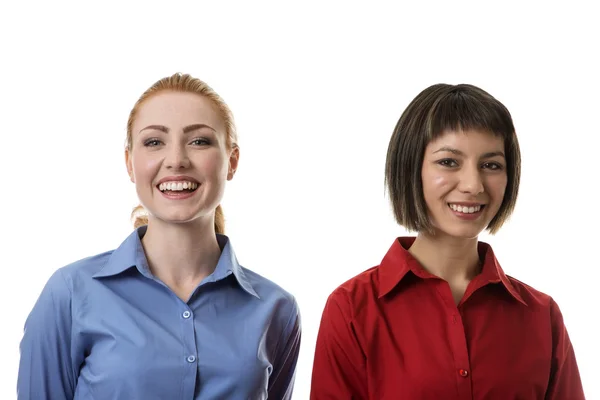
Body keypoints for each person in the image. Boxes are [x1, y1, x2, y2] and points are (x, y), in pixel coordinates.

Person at [18, 73, 301, 399]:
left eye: (199, 141)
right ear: (130, 163)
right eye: (154, 142)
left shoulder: (276, 309)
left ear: (232, 162)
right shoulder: (68, 295)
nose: (177, 160)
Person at [310, 84, 585, 399]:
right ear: (412, 168)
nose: (473, 185)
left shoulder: (541, 317)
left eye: (491, 165)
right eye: (449, 162)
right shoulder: (352, 310)